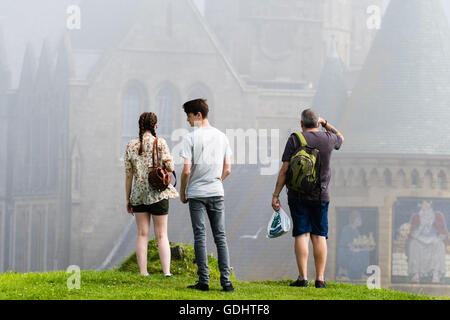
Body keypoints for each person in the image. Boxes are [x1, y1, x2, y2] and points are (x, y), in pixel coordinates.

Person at [272, 108, 344, 288]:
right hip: (321, 195)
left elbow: (285, 170)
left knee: (301, 234)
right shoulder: (328, 138)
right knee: (319, 236)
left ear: (301, 124)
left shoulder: (295, 139)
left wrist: (276, 194)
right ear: (317, 123)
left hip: (297, 195)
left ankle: (303, 278)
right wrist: (326, 123)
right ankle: (320, 279)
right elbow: (341, 137)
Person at [179, 98, 234, 292]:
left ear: (198, 115)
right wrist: (215, 181)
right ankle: (226, 282)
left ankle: (204, 281)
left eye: (189, 115)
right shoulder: (222, 137)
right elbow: (227, 169)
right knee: (220, 236)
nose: (187, 120)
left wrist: (182, 192)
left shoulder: (190, 138)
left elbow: (186, 171)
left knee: (200, 236)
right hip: (216, 192)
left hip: (196, 194)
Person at [124, 112, 179, 277]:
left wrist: (128, 198)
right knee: (162, 234)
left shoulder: (131, 146)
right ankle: (166, 272)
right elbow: (170, 167)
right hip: (158, 193)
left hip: (139, 195)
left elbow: (128, 175)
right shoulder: (160, 142)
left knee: (142, 233)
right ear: (155, 126)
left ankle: (143, 272)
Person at [407, 201, 448, 283]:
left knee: (440, 245)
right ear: (420, 205)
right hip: (420, 239)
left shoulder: (437, 215)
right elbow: (413, 233)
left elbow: (443, 232)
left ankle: (435, 274)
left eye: (427, 203)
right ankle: (416, 274)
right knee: (413, 244)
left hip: (434, 240)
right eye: (423, 203)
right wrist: (422, 226)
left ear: (431, 204)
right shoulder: (416, 216)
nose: (425, 205)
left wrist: (438, 239)